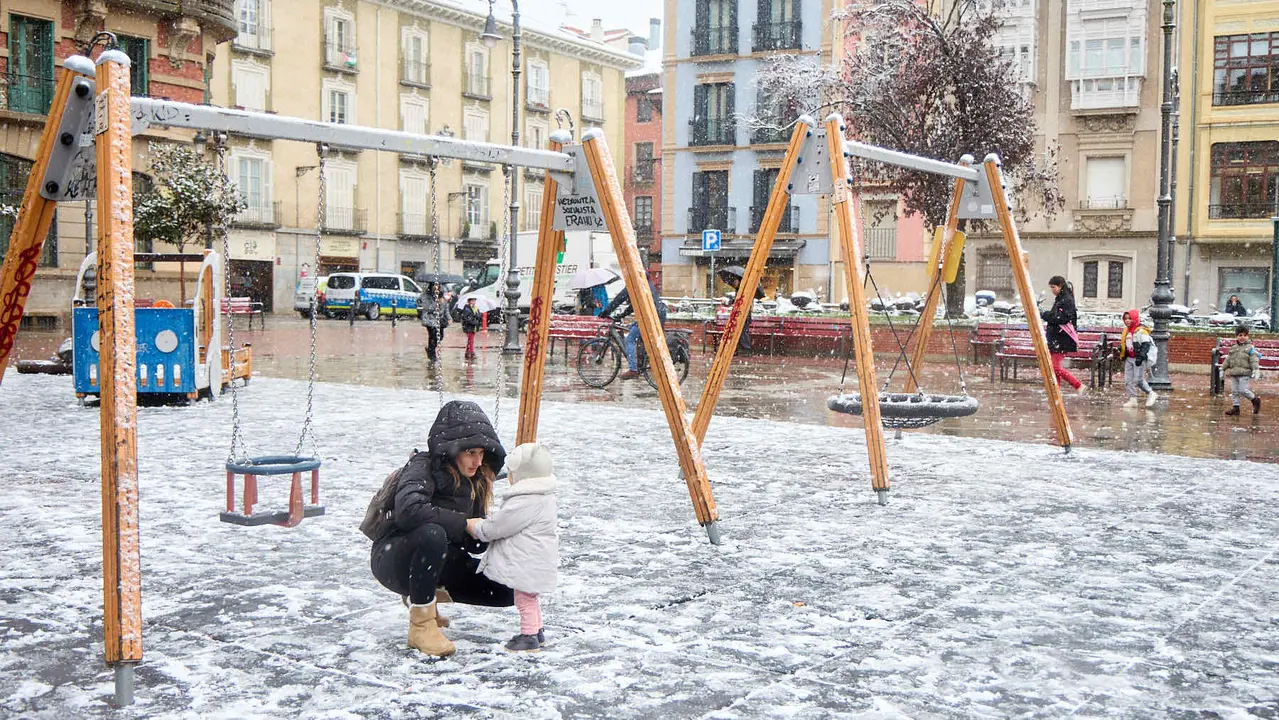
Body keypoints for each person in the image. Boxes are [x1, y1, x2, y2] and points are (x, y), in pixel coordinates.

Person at [369, 400, 513, 657]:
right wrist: (463, 523)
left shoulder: (476, 481)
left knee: (509, 592)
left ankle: (426, 591)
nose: (477, 461)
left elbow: (471, 541)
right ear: (452, 449)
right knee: (432, 533)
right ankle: (421, 625)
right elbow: (409, 510)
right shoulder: (422, 466)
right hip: (395, 558)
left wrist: (490, 532)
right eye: (471, 453)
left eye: (481, 453)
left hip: (441, 559)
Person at [466, 442, 558, 653]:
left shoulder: (526, 500)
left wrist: (477, 527)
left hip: (526, 560)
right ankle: (537, 631)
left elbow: (499, 526)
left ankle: (528, 637)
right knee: (531, 597)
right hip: (535, 558)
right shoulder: (543, 496)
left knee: (524, 599)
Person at [598, 279, 667, 380]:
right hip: (657, 314)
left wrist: (606, 312)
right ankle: (644, 363)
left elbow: (619, 299)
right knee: (635, 331)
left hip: (649, 316)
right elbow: (634, 305)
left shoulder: (634, 281)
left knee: (629, 340)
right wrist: (623, 314)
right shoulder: (644, 281)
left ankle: (633, 370)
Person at [1040, 275, 1085, 395]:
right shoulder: (1061, 298)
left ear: (1060, 286)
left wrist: (1045, 315)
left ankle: (1078, 385)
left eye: (1053, 287)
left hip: (1062, 339)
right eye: (1051, 287)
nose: (1052, 290)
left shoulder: (1066, 300)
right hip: (1057, 338)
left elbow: (1062, 318)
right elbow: (1057, 315)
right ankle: (1056, 391)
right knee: (1053, 367)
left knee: (1054, 367)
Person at [1117, 309, 1158, 408]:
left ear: (1135, 319)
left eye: (1130, 318)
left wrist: (1141, 356)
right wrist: (1122, 350)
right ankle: (1132, 399)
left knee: (1138, 380)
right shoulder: (1126, 331)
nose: (1127, 321)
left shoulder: (1141, 331)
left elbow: (1146, 344)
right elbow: (1125, 343)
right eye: (1125, 319)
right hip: (1129, 358)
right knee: (1128, 380)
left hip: (1139, 358)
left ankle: (1151, 393)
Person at [1223, 325, 1262, 416]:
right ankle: (1236, 408)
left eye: (1245, 335)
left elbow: (1254, 359)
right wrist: (1222, 368)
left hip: (1244, 373)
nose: (1242, 337)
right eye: (1240, 335)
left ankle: (1255, 400)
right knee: (1234, 391)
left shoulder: (1250, 348)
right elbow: (1228, 359)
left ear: (1248, 336)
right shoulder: (1233, 348)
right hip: (1234, 373)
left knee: (1243, 390)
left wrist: (1256, 369)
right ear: (1236, 336)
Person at [420, 282, 443, 362]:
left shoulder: (440, 295)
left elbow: (444, 307)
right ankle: (432, 354)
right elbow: (427, 308)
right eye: (435, 285)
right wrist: (436, 304)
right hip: (429, 319)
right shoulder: (426, 296)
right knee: (433, 336)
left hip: (438, 319)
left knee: (440, 336)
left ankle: (430, 350)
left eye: (438, 285)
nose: (436, 287)